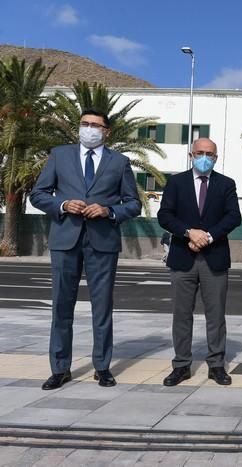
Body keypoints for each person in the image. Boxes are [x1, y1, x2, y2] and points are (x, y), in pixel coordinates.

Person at [30, 109, 141, 390]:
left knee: (102, 307)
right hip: (65, 239)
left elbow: (133, 203)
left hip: (102, 242)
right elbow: (39, 194)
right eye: (84, 124)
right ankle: (60, 368)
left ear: (107, 131)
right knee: (61, 306)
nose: (88, 129)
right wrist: (63, 205)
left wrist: (109, 210)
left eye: (95, 125)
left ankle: (102, 367)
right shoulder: (60, 155)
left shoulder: (120, 162)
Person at [157, 138, 241, 386]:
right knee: (181, 315)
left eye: (210, 154)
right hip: (183, 257)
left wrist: (208, 236)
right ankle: (181, 365)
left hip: (214, 258)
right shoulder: (176, 182)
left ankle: (216, 365)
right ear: (191, 154)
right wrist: (188, 233)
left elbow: (233, 217)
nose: (205, 157)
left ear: (216, 157)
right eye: (200, 152)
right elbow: (165, 215)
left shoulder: (226, 184)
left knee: (216, 316)